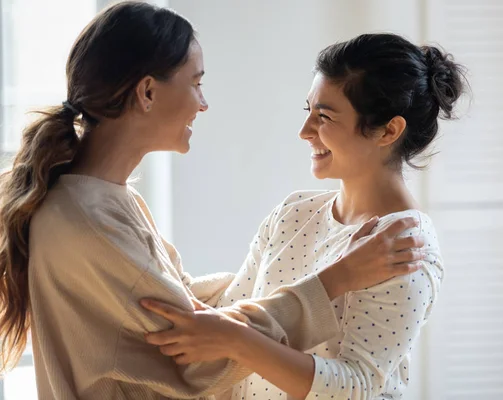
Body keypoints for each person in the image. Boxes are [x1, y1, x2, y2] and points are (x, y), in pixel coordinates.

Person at [0, 3, 426, 399]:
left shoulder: (105, 198)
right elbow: (201, 353)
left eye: (324, 115)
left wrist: (279, 275)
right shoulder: (89, 219)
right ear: (147, 93)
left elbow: (183, 301)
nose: (203, 104)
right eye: (196, 83)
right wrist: (333, 280)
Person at [141, 33, 467, 399]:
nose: (304, 131)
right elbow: (233, 313)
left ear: (388, 131)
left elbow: (354, 386)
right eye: (308, 111)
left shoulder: (404, 246)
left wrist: (237, 342)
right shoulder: (294, 213)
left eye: (324, 116)